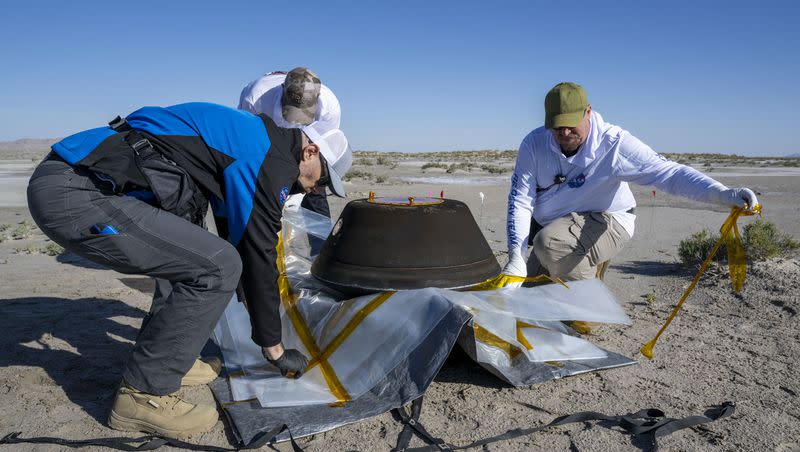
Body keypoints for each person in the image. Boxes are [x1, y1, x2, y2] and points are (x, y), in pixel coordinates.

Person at [27, 102, 352, 437]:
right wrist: (273, 348)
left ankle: (169, 358)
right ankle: (143, 394)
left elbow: (237, 234)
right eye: (323, 179)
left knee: (197, 254)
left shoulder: (259, 139)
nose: (318, 190)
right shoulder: (271, 159)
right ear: (310, 151)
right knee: (218, 266)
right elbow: (257, 253)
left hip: (79, 181)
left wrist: (251, 305)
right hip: (76, 191)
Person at [504, 82, 758, 283]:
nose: (565, 133)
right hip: (558, 225)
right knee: (530, 291)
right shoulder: (534, 144)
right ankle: (578, 267)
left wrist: (722, 193)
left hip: (608, 218)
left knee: (549, 245)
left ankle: (590, 311)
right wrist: (516, 255)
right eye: (557, 126)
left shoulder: (615, 144)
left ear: (588, 112)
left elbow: (669, 173)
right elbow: (521, 199)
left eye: (571, 124)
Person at [238, 67, 341, 224]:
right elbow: (248, 145)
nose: (295, 121)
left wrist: (300, 190)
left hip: (306, 156)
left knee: (316, 199)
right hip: (267, 149)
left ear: (317, 98)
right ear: (282, 90)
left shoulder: (330, 107)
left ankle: (321, 248)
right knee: (259, 203)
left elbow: (324, 152)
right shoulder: (255, 97)